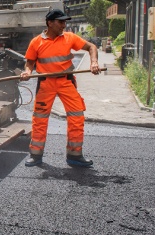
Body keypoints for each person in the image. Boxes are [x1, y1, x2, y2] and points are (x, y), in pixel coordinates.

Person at [20, 9, 101, 168]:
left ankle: (74, 155)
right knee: (40, 119)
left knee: (77, 116)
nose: (64, 25)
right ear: (50, 23)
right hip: (45, 83)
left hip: (66, 81)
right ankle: (35, 155)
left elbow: (91, 47)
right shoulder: (36, 42)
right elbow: (30, 62)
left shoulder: (69, 38)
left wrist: (94, 62)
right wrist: (28, 71)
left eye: (65, 22)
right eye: (61, 22)